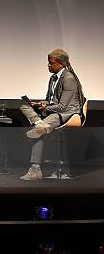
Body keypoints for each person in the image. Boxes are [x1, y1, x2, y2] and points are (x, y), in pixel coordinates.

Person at [20, 49, 84, 180]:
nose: (48, 65)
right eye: (48, 62)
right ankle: (39, 124)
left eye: (51, 63)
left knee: (44, 125)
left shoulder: (69, 79)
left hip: (68, 114)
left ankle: (35, 169)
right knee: (24, 106)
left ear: (61, 64)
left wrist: (46, 107)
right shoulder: (53, 78)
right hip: (54, 110)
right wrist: (41, 104)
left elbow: (62, 106)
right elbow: (50, 100)